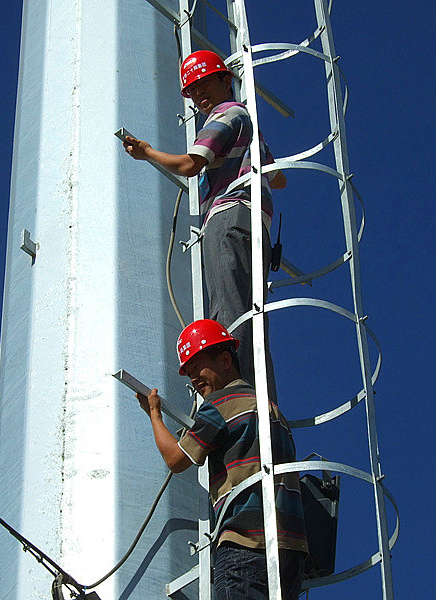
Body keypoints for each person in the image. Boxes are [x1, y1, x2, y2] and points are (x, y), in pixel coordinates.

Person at [123, 49, 285, 403]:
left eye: (204, 83)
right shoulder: (247, 123)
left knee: (229, 312)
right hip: (254, 221)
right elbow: (280, 178)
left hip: (228, 217)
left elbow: (189, 165)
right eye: (193, 90)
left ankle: (236, 399)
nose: (199, 94)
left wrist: (147, 153)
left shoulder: (226, 114)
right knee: (251, 313)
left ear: (226, 80)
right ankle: (263, 400)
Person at [137, 319, 307, 600]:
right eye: (189, 373)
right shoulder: (270, 409)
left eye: (197, 367)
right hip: (290, 552)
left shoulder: (220, 405)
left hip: (245, 543)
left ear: (225, 360)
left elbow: (176, 459)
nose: (194, 379)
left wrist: (154, 414)